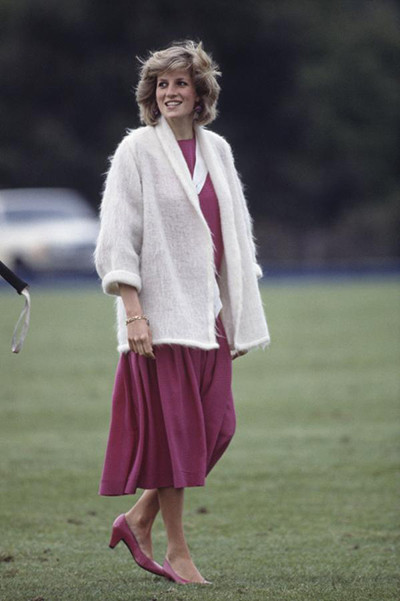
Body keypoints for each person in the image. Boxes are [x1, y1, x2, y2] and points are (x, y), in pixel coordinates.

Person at [94, 39, 270, 585]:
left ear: (200, 94)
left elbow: (236, 235)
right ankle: (176, 550)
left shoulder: (218, 150)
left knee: (218, 427)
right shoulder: (136, 151)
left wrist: (237, 316)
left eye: (181, 84)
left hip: (208, 316)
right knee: (178, 433)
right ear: (152, 94)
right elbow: (117, 238)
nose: (170, 92)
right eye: (162, 84)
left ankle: (137, 518)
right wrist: (133, 312)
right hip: (160, 317)